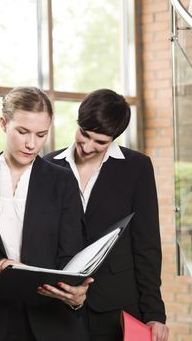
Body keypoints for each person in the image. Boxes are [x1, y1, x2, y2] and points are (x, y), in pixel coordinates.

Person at [0, 87, 93, 341]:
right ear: (3, 123)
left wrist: (76, 294)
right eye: (22, 132)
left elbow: (71, 255)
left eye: (41, 135)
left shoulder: (62, 181)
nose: (32, 144)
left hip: (52, 323)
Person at [44, 88, 169, 341]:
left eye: (100, 142)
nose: (87, 147)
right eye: (84, 135)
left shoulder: (136, 167)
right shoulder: (47, 166)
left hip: (117, 307)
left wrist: (154, 313)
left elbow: (147, 245)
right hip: (58, 304)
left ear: (114, 138)